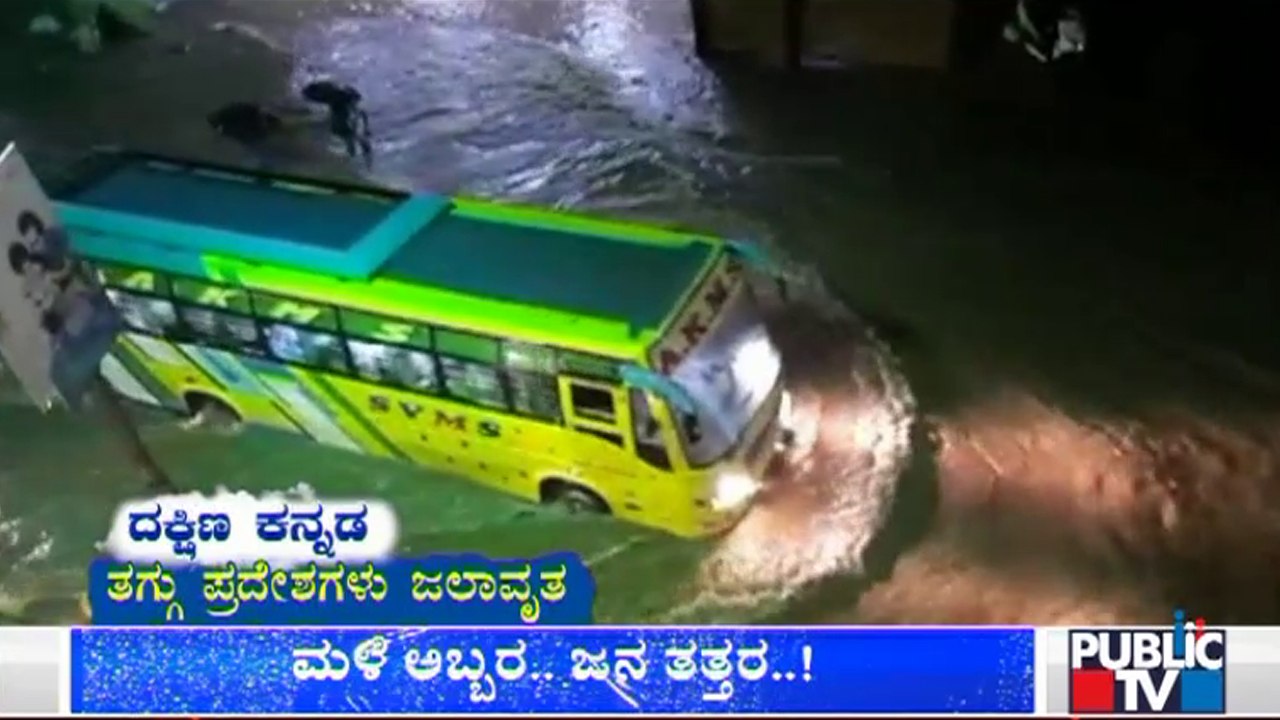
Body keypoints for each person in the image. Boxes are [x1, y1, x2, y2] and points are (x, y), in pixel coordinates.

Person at [301, 80, 373, 165]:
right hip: (341, 119)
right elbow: (360, 112)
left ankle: (356, 158)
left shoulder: (340, 95)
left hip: (341, 118)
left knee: (353, 138)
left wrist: (366, 127)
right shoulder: (339, 95)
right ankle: (356, 159)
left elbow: (360, 112)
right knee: (352, 138)